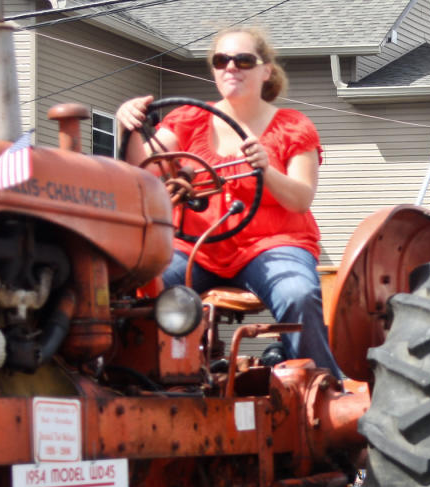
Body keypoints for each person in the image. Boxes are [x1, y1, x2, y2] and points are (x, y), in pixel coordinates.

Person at [116, 27, 338, 374]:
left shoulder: (292, 126)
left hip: (271, 246)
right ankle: (152, 380)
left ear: (266, 71)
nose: (231, 67)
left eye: (243, 60)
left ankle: (320, 386)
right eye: (222, 60)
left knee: (297, 294)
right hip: (197, 249)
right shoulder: (189, 119)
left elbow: (301, 198)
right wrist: (128, 125)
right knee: (140, 289)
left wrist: (266, 170)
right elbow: (140, 171)